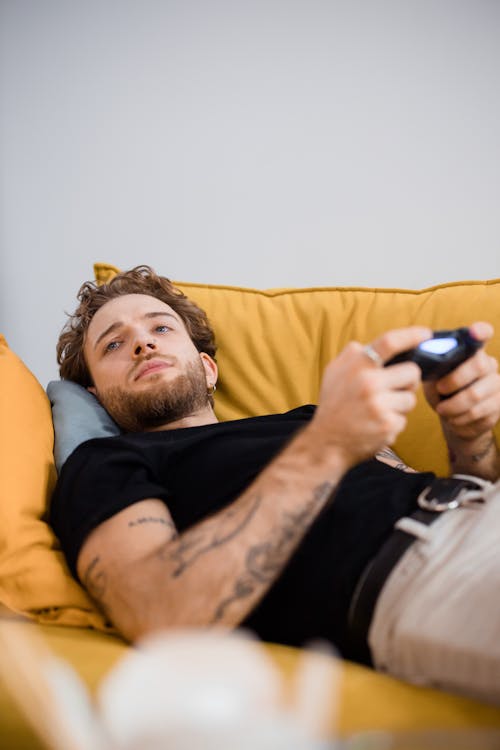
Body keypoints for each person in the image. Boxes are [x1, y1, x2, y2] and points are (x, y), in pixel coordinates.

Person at [50, 266, 500, 706]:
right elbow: (159, 612)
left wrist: (469, 434)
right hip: (418, 575)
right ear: (95, 397)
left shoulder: (310, 418)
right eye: (113, 343)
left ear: (208, 369)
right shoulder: (104, 463)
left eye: (161, 328)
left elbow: (445, 494)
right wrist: (326, 446)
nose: (143, 344)